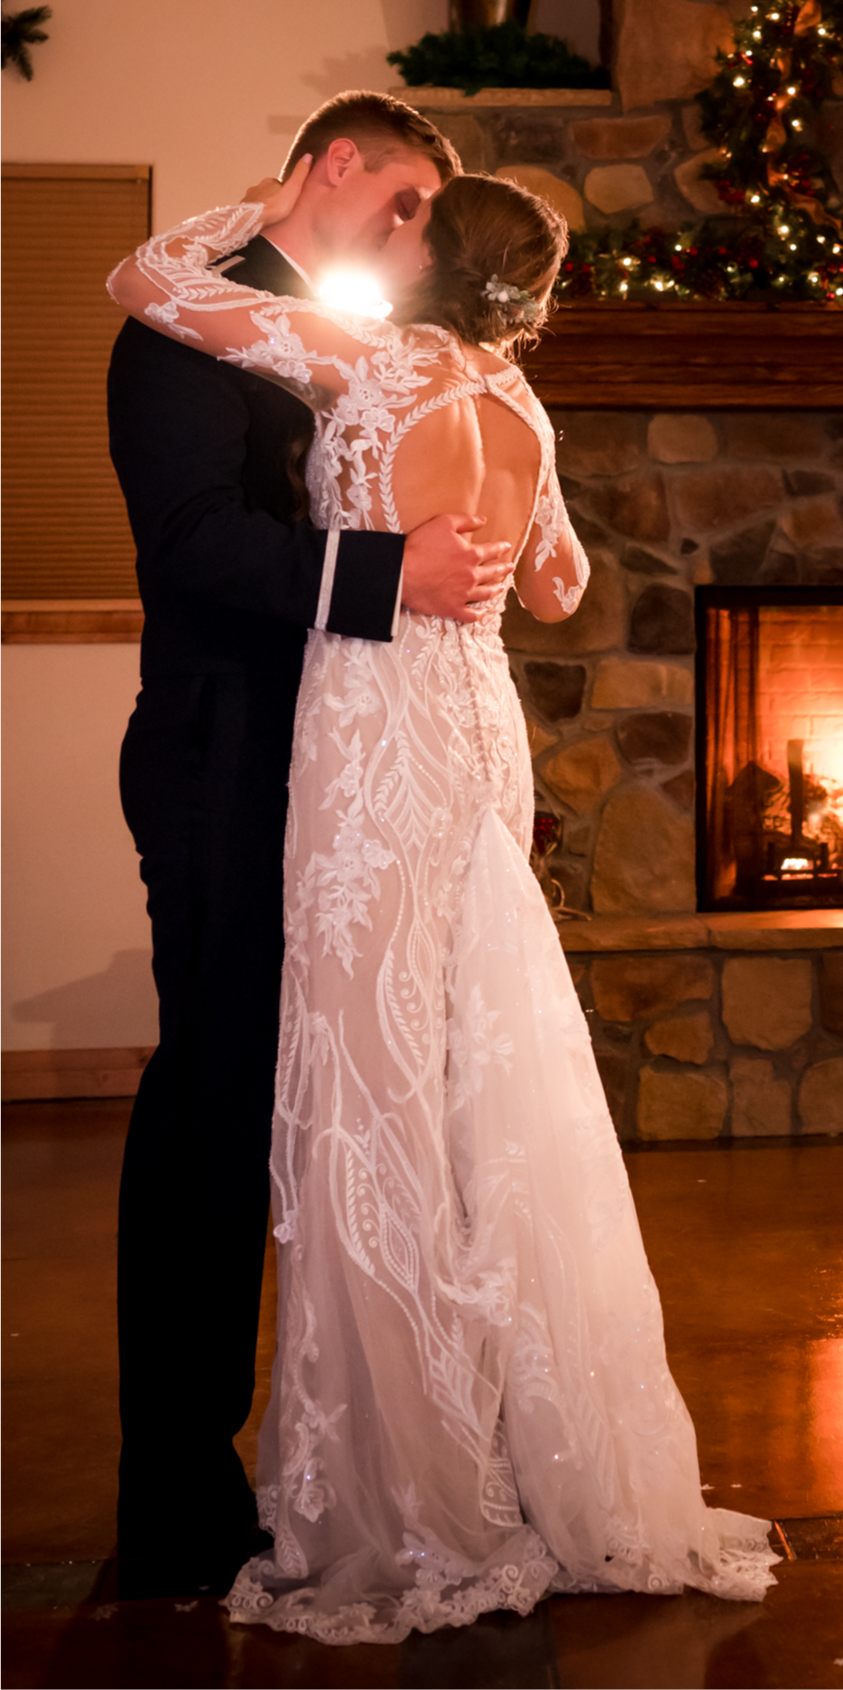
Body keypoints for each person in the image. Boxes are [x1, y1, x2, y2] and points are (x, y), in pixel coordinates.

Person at [106, 163, 778, 1642]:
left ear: (421, 252)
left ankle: (403, 1476)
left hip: (371, 742)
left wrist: (257, 191)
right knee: (487, 1074)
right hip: (479, 743)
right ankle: (531, 1446)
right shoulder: (525, 407)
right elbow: (556, 589)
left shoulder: (366, 358)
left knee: (369, 1085)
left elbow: (144, 281)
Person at [107, 92, 509, 1602]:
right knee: (216, 1095)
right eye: (399, 203)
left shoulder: (358, 337)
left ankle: (344, 1462)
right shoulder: (182, 331)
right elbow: (195, 543)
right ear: (330, 166)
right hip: (227, 757)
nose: (411, 242)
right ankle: (175, 1486)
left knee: (361, 1111)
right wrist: (384, 573)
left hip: (360, 781)